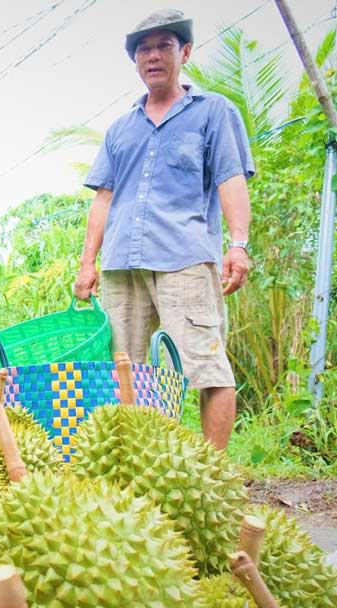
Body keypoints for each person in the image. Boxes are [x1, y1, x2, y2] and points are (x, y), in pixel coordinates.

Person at [72, 9, 253, 450]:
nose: (152, 55)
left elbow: (231, 178)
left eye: (163, 46)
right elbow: (104, 199)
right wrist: (87, 263)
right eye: (144, 49)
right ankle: (141, 466)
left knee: (206, 368)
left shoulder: (213, 112)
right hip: (122, 265)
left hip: (184, 259)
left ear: (184, 52)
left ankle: (212, 475)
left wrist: (239, 245)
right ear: (136, 61)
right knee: (127, 372)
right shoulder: (121, 129)